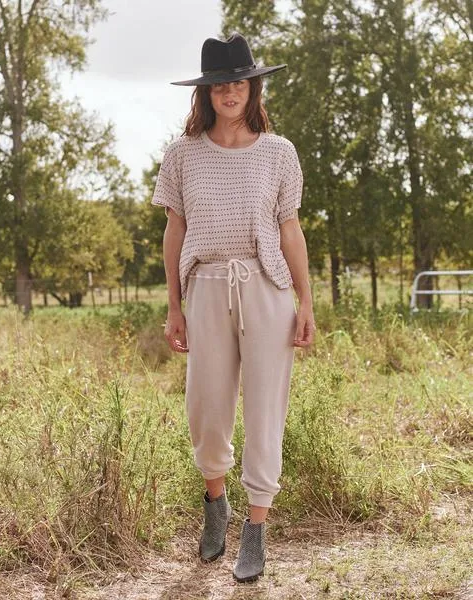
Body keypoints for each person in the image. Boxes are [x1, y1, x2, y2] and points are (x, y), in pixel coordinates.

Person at [151, 32, 315, 583]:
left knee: (266, 409)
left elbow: (290, 231)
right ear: (206, 92)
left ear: (253, 86)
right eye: (220, 83)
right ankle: (215, 503)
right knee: (208, 407)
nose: (230, 91)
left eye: (239, 81)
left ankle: (256, 529)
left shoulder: (280, 152)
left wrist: (306, 300)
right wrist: (173, 304)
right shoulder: (181, 155)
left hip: (267, 289)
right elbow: (175, 232)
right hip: (205, 288)